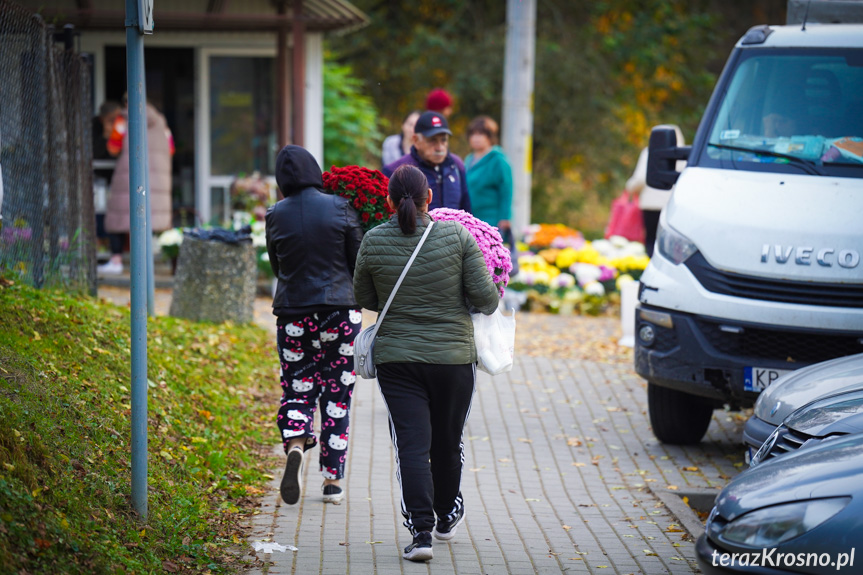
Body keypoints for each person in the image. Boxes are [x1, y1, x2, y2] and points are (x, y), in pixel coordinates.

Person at [353, 164, 500, 562]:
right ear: (429, 198)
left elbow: (365, 297)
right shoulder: (457, 236)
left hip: (397, 360)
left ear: (388, 201)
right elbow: (487, 300)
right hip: (453, 360)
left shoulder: (373, 240)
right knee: (447, 442)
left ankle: (420, 534)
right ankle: (447, 516)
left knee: (412, 446)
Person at [266, 145, 363, 506]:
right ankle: (333, 481)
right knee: (337, 395)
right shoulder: (340, 207)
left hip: (293, 313)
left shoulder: (275, 214)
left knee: (297, 386)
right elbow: (357, 259)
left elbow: (278, 266)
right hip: (340, 312)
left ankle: (295, 445)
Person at [99, 101, 173, 274]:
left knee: (118, 217)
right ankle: (150, 262)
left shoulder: (123, 120)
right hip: (158, 179)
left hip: (130, 175)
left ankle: (116, 260)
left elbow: (113, 148)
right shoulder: (161, 122)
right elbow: (170, 148)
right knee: (153, 217)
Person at [382, 111, 471, 212]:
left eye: (443, 140)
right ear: (416, 140)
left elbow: (467, 212)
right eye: (432, 140)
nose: (439, 147)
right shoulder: (395, 171)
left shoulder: (456, 166)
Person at [625, 125, 685, 257]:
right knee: (670, 245)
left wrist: (629, 187)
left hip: (651, 205)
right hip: (674, 207)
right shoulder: (685, 155)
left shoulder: (650, 152)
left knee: (651, 241)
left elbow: (640, 178)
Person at [465, 115, 513, 235]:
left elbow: (506, 190)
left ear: (490, 137)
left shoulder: (498, 160)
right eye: (473, 134)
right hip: (471, 219)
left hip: (491, 220)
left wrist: (505, 217)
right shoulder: (468, 159)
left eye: (481, 134)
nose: (476, 138)